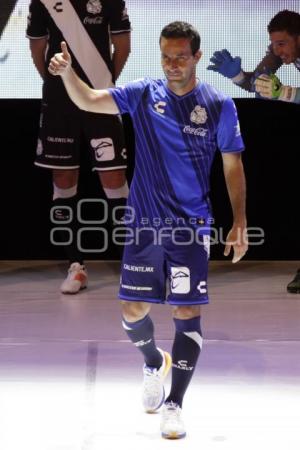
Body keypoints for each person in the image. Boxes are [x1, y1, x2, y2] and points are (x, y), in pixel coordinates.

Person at [49, 21, 248, 439]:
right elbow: (89, 100)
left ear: (196, 57)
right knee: (132, 312)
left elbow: (232, 164)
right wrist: (68, 72)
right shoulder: (142, 94)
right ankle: (154, 363)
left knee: (186, 312)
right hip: (144, 226)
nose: (172, 64)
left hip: (190, 228)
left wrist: (240, 222)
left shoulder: (218, 104)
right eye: (166, 56)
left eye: (180, 56)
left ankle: (174, 404)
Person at [26, 0, 131, 294]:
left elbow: (122, 47)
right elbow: (38, 50)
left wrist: (102, 85)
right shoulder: (43, 1)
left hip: (101, 97)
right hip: (59, 103)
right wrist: (59, 85)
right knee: (63, 179)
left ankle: (133, 266)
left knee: (114, 179)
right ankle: (76, 266)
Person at [207, 9, 300, 293]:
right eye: (273, 44)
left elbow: (278, 91)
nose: (276, 50)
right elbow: (260, 84)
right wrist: (238, 77)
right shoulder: (278, 51)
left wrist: (285, 93)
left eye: (282, 43)